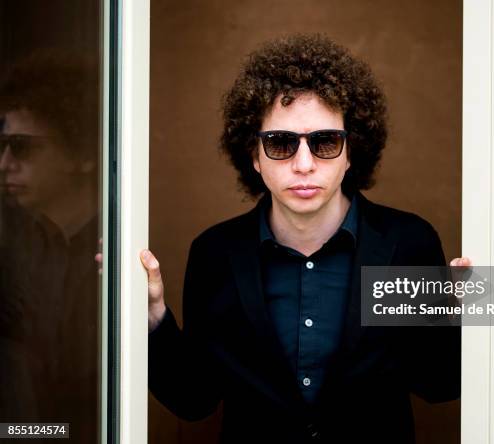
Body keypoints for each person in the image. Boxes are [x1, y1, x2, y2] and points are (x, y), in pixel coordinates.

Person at [144, 33, 470, 443]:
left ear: (352, 152)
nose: (303, 164)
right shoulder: (216, 253)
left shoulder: (407, 243)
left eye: (325, 142)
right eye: (280, 143)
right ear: (254, 156)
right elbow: (194, 399)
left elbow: (436, 384)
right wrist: (153, 318)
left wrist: (487, 311)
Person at [0, 50, 100, 442]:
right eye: (4, 145)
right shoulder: (21, 244)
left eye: (22, 147)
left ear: (82, 155)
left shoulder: (113, 248)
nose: (4, 163)